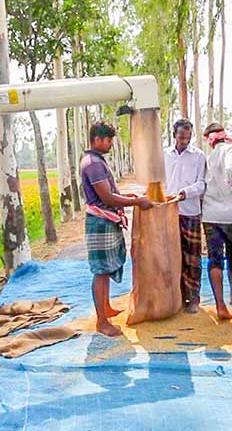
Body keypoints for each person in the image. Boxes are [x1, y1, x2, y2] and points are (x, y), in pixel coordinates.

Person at [81, 122, 153, 337]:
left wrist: (128, 198)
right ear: (97, 140)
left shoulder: (97, 161)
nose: (111, 144)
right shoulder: (93, 163)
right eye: (108, 140)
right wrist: (138, 202)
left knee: (108, 266)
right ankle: (102, 321)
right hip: (100, 223)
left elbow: (112, 193)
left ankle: (106, 308)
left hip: (106, 221)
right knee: (101, 271)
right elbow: (107, 197)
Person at [202, 123, 232, 318]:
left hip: (210, 215)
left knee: (215, 258)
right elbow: (231, 171)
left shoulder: (209, 157)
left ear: (210, 141)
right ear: (224, 135)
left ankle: (220, 305)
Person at [164, 119, 206, 314]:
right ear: (174, 135)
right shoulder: (164, 155)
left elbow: (202, 184)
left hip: (190, 211)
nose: (184, 140)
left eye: (188, 137)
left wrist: (183, 193)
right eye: (181, 136)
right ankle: (177, 297)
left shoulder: (198, 156)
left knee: (192, 257)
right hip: (168, 212)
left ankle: (194, 298)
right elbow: (158, 181)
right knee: (172, 256)